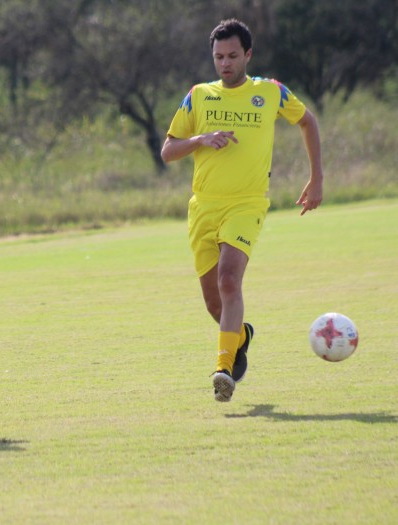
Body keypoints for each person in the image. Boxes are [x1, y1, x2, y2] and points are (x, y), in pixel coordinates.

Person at [161, 19, 323, 402]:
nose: (225, 63)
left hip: (247, 203)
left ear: (248, 55)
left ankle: (223, 370)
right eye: (219, 57)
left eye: (233, 55)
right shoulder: (199, 96)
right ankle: (242, 336)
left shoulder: (270, 92)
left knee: (230, 281)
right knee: (213, 303)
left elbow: (307, 121)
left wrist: (316, 179)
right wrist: (200, 139)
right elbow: (168, 151)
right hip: (203, 206)